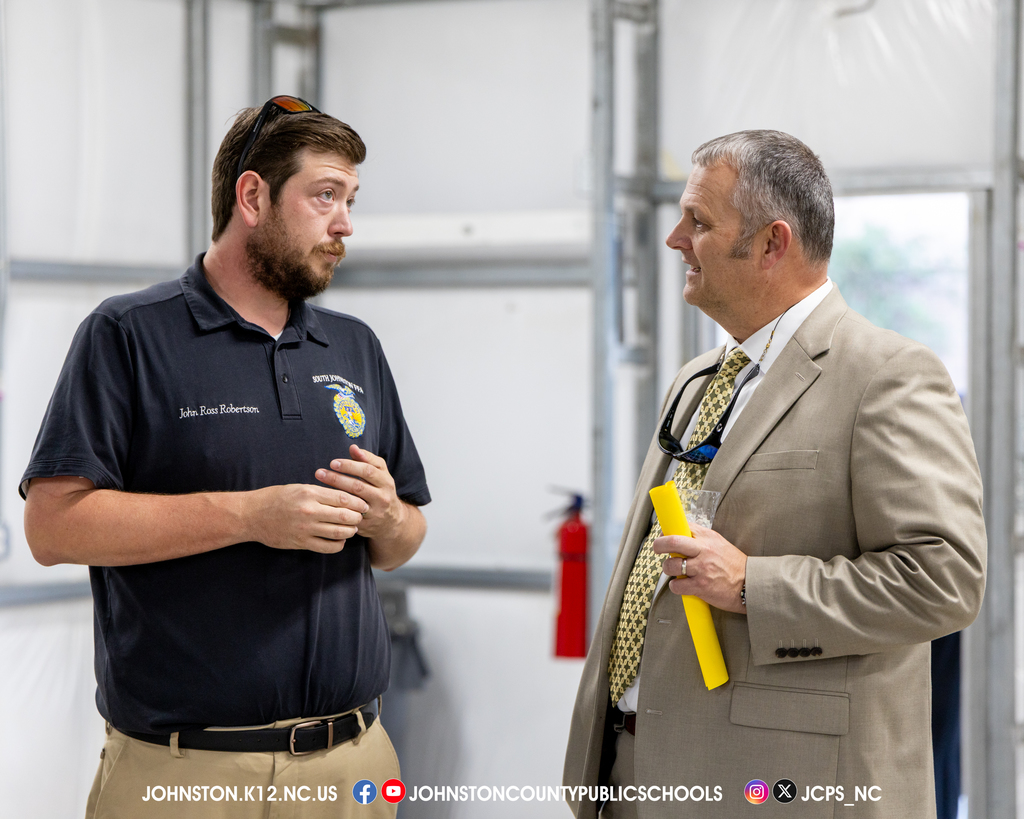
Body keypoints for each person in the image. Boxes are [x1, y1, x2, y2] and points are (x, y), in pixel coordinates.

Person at [21, 96, 429, 819]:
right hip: (184, 775)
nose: (345, 225)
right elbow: (53, 527)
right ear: (253, 196)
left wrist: (387, 515)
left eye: (351, 199)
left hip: (355, 765)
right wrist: (250, 515)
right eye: (326, 195)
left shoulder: (355, 345)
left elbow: (402, 542)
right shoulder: (126, 335)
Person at [562, 130, 986, 819]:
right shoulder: (697, 381)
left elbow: (943, 580)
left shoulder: (888, 376)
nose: (674, 239)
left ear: (771, 243)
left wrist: (753, 586)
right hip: (635, 769)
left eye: (697, 221)